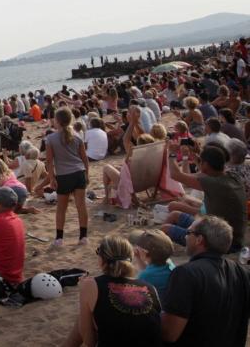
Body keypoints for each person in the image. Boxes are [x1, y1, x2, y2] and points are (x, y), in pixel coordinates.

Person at [160, 215, 250, 345]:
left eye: (188, 232)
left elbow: (169, 333)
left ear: (199, 240)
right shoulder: (243, 273)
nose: (185, 236)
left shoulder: (186, 274)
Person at [62, 235, 161, 347]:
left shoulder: (90, 285)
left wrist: (83, 290)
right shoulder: (150, 287)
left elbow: (90, 342)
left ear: (102, 259)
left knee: (87, 314)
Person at [163, 143, 246, 250]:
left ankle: (156, 251)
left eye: (201, 162)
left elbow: (175, 175)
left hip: (222, 243)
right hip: (229, 236)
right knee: (174, 215)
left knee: (165, 228)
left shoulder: (213, 183)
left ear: (206, 164)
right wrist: (196, 157)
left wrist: (172, 154)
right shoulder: (232, 177)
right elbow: (204, 173)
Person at [45, 107, 90, 247]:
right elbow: (84, 158)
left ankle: (59, 239)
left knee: (61, 209)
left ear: (57, 121)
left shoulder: (51, 138)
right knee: (81, 206)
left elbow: (49, 162)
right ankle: (83, 237)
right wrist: (87, 174)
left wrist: (52, 178)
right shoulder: (77, 136)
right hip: (78, 172)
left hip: (64, 175)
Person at [133, 229, 175, 300]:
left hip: (159, 309)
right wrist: (138, 258)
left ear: (145, 252)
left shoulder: (145, 276)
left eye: (138, 246)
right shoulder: (169, 263)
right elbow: (149, 270)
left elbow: (137, 298)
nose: (136, 247)